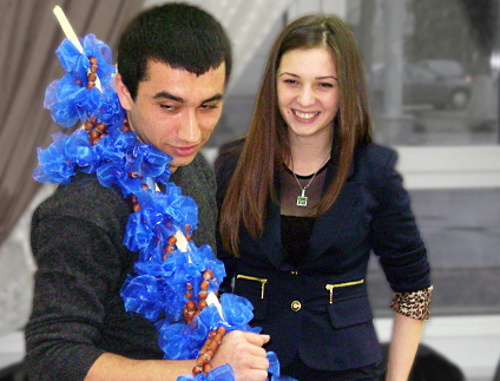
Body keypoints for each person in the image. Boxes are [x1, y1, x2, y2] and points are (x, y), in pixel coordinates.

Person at [25, 3, 270, 381]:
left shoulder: (192, 167)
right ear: (123, 90)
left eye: (207, 106)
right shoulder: (84, 209)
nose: (190, 133)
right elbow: (53, 358)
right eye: (168, 106)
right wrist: (206, 370)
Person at [215, 13, 433, 381]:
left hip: (346, 367)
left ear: (345, 89)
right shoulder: (234, 166)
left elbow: (414, 288)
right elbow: (212, 280)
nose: (304, 99)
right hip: (250, 365)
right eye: (291, 82)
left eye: (324, 85)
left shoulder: (374, 171)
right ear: (273, 84)